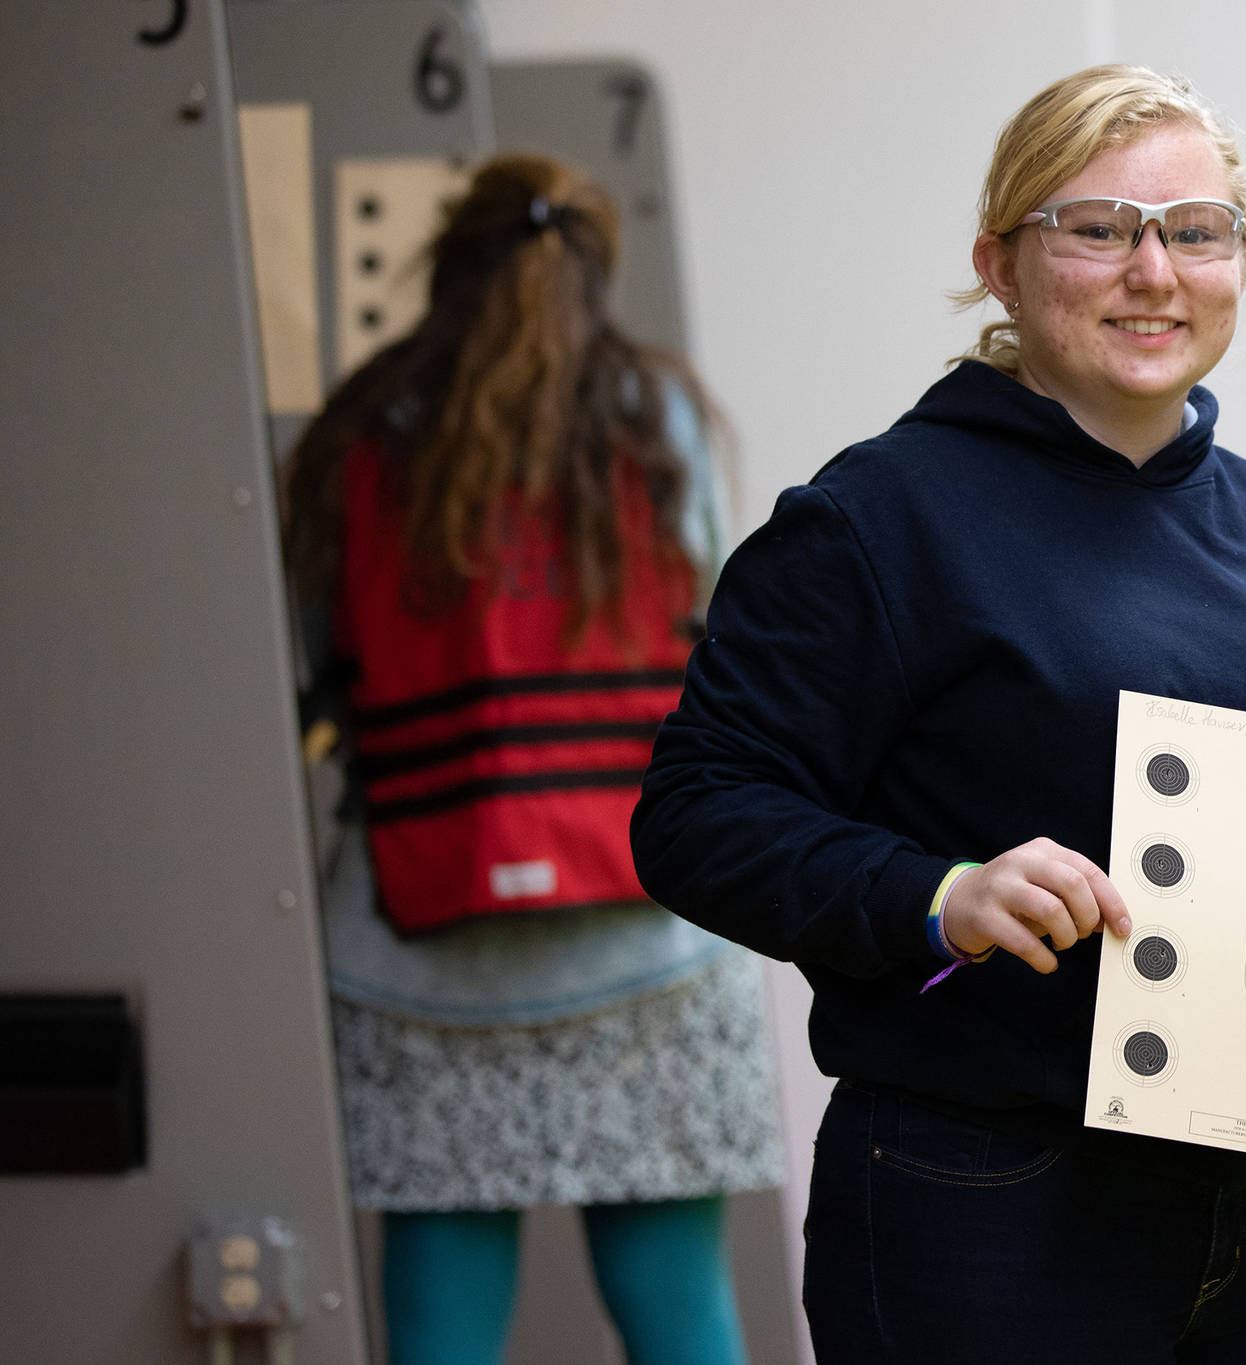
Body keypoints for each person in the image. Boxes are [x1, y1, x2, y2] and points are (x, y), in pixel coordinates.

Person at [632, 66, 1246, 1364]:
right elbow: (696, 814)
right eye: (1099, 227)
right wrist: (939, 894)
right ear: (1000, 265)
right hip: (983, 1202)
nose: (1153, 271)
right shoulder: (878, 520)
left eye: (1196, 230)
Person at [283, 154, 776, 1365]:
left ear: (447, 269)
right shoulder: (659, 419)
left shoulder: (358, 433)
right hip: (653, 936)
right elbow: (723, 629)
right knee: (679, 1315)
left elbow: (317, 661)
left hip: (417, 947)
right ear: (594, 276)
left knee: (439, 1327)